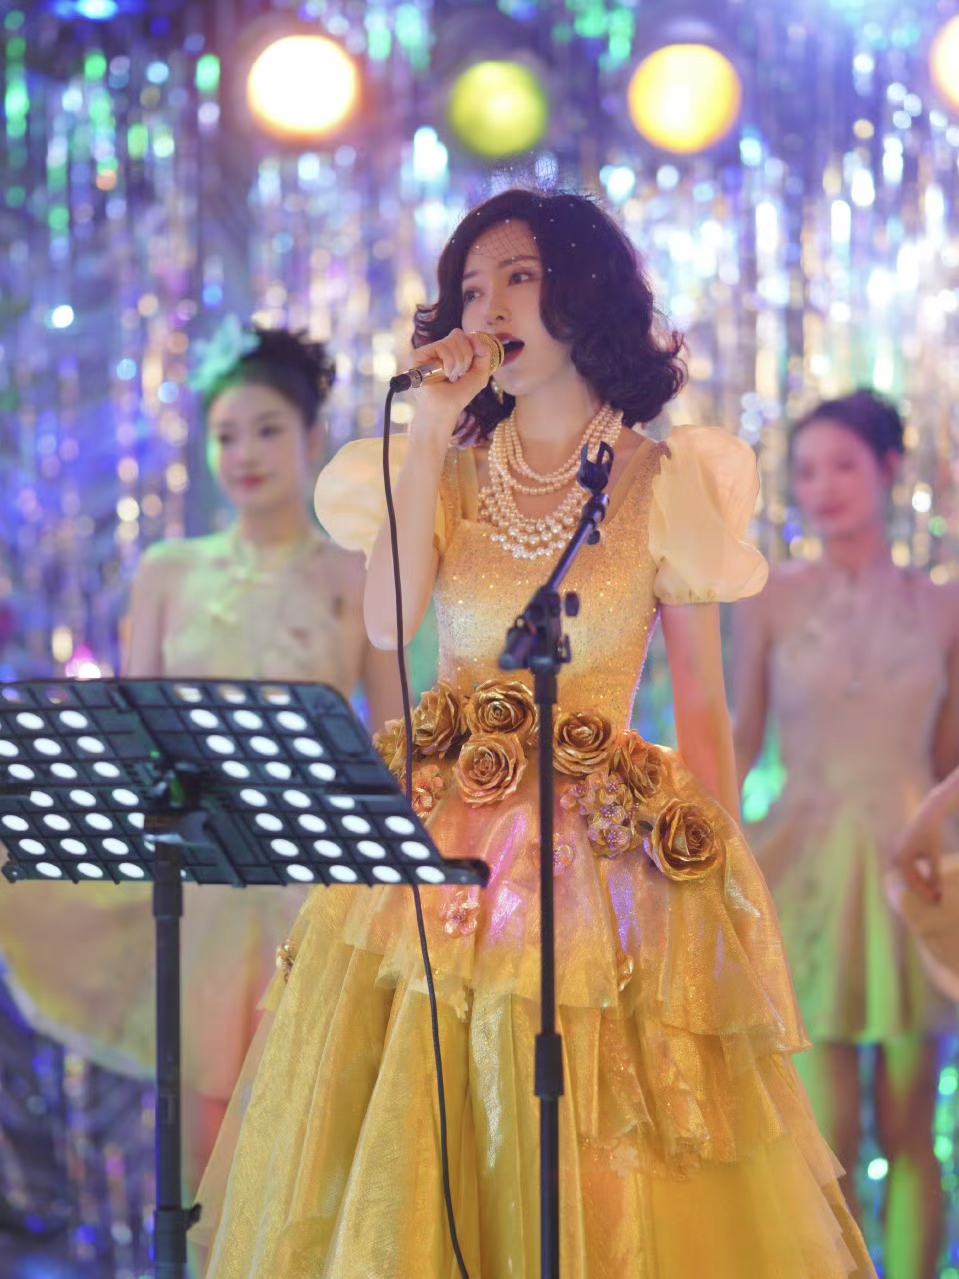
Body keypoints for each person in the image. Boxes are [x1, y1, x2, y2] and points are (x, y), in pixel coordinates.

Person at [196, 190, 875, 1277]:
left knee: (598, 1164)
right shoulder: (447, 471)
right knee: (423, 1144)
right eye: (470, 288)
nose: (489, 306)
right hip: (435, 866)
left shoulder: (663, 480)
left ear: (583, 292)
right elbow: (388, 624)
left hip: (602, 871)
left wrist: (723, 894)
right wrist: (427, 429)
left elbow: (701, 707)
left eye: (516, 277)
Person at [0, 322, 403, 1192]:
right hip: (198, 880)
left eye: (266, 429)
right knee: (203, 1139)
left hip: (312, 884)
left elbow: (397, 736)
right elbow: (133, 731)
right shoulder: (168, 571)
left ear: (311, 436)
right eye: (225, 435)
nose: (244, 453)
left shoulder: (359, 573)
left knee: (303, 1138)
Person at [733, 389, 959, 1279]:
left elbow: (949, 764)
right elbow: (738, 739)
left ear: (888, 469)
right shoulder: (767, 599)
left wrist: (937, 847)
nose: (821, 487)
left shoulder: (943, 607)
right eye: (804, 471)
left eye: (841, 465)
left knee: (910, 1132)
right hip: (802, 872)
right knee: (821, 1144)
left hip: (909, 878)